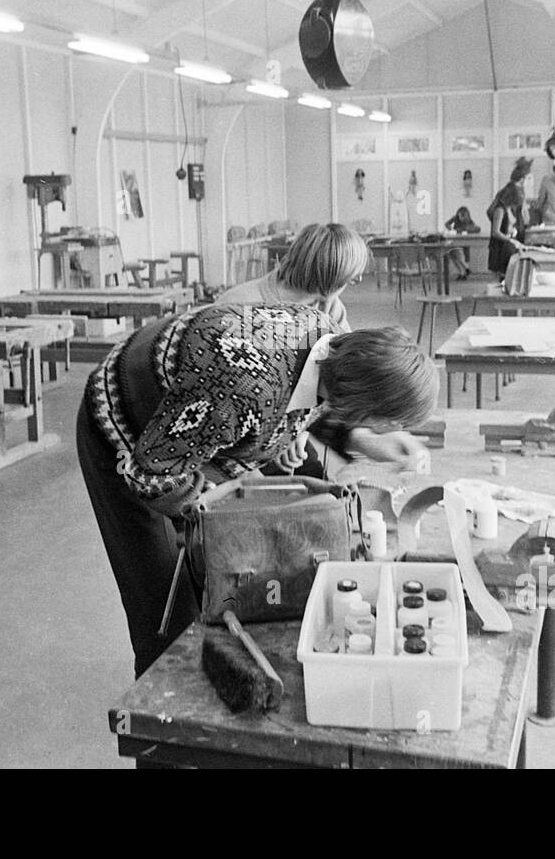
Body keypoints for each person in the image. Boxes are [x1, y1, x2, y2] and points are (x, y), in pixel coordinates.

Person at [78, 303, 438, 676]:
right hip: (124, 429)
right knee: (164, 602)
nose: (390, 430)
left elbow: (311, 398)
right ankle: (158, 719)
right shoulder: (241, 391)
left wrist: (359, 440)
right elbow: (149, 474)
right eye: (388, 422)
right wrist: (219, 522)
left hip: (185, 424)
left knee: (225, 571)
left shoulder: (327, 341)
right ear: (363, 404)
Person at [216, 222, 368, 330]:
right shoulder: (236, 305)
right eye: (351, 279)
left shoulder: (331, 308)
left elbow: (346, 360)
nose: (356, 281)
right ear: (331, 280)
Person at [487, 163, 530, 276]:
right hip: (501, 248)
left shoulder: (512, 208)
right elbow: (495, 232)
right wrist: (511, 240)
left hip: (509, 246)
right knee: (504, 277)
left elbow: (524, 220)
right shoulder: (500, 210)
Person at [443, 207, 477, 280]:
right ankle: (462, 272)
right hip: (455, 240)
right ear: (458, 215)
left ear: (467, 216)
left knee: (461, 256)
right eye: (460, 216)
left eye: (463, 216)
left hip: (464, 241)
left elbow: (476, 229)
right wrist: (451, 229)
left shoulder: (470, 222)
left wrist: (465, 230)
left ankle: (466, 269)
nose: (461, 218)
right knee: (453, 256)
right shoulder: (455, 218)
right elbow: (446, 224)